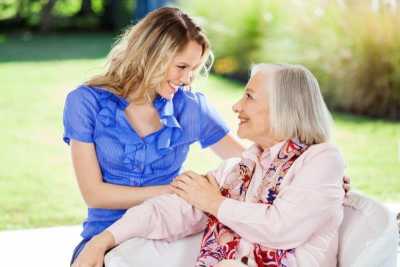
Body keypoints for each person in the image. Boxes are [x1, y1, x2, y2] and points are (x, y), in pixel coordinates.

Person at [72, 64, 347, 267]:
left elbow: (282, 228)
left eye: (249, 97)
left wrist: (214, 203)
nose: (237, 106)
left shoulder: (321, 160)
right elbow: (170, 210)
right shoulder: (239, 169)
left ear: (284, 107)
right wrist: (103, 239)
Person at [63, 7, 245, 266]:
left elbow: (248, 161)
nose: (186, 79)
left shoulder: (191, 108)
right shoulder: (85, 102)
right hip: (101, 241)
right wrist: (174, 191)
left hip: (166, 238)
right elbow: (95, 194)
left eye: (193, 69)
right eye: (181, 66)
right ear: (151, 55)